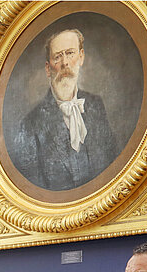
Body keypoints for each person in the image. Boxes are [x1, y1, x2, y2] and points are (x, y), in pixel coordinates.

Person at [11, 28, 118, 191]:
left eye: (70, 53)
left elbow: (114, 163)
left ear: (81, 57)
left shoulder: (96, 105)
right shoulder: (29, 125)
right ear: (48, 68)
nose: (65, 63)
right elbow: (33, 192)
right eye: (57, 57)